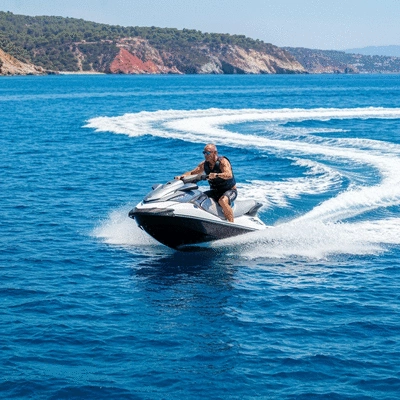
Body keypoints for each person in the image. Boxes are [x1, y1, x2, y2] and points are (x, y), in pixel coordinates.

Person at [175, 143, 237, 222]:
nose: (205, 155)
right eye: (204, 153)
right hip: (215, 191)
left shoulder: (223, 162)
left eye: (208, 153)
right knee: (198, 198)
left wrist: (217, 175)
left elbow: (229, 175)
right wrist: (182, 176)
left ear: (215, 153)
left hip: (230, 191)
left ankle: (231, 224)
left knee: (223, 201)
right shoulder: (204, 164)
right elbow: (192, 173)